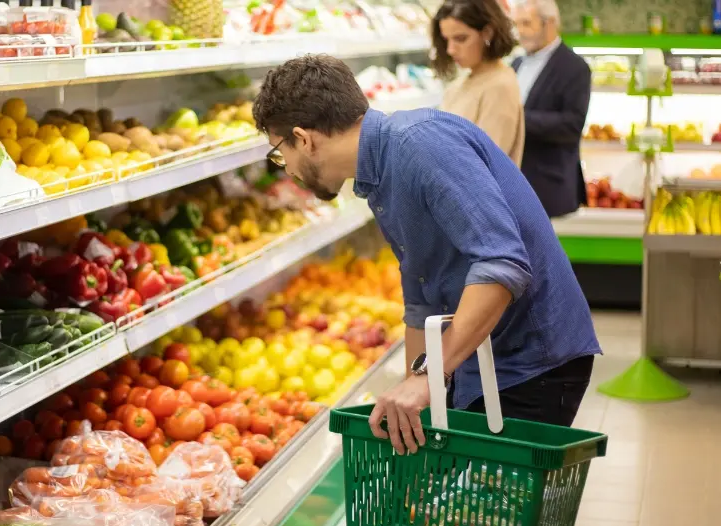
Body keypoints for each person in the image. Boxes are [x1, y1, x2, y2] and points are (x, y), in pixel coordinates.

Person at [252, 55, 600, 456]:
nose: (287, 168)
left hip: (531, 361)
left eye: (280, 153)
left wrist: (429, 377)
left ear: (304, 138)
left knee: (490, 514)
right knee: (458, 510)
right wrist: (412, 392)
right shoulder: (378, 175)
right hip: (481, 357)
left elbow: (502, 265)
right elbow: (422, 301)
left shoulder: (420, 145)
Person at [511, 0, 592, 217]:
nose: (520, 32)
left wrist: (517, 119)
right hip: (515, 185)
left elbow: (572, 125)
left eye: (527, 23)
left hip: (550, 189)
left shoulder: (575, 68)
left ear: (550, 24)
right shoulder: (516, 64)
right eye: (516, 24)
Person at [433, 0, 525, 166]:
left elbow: (484, 165)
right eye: (446, 40)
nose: (450, 49)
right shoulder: (461, 84)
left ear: (487, 33)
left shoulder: (500, 86)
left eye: (460, 39)